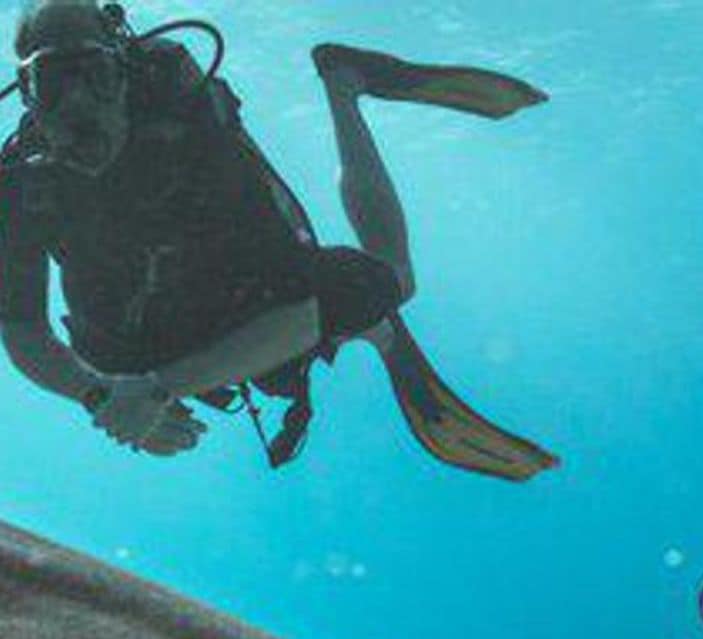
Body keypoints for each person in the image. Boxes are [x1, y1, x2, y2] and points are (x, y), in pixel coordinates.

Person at [0, 0, 559, 478]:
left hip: (246, 295)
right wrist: (102, 397)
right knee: (110, 357)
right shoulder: (25, 184)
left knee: (385, 284)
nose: (77, 106)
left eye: (93, 76)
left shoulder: (192, 139)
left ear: (122, 75)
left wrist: (153, 395)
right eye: (51, 83)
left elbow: (301, 313)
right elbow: (22, 329)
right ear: (27, 96)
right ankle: (372, 334)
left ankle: (345, 84)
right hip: (136, 342)